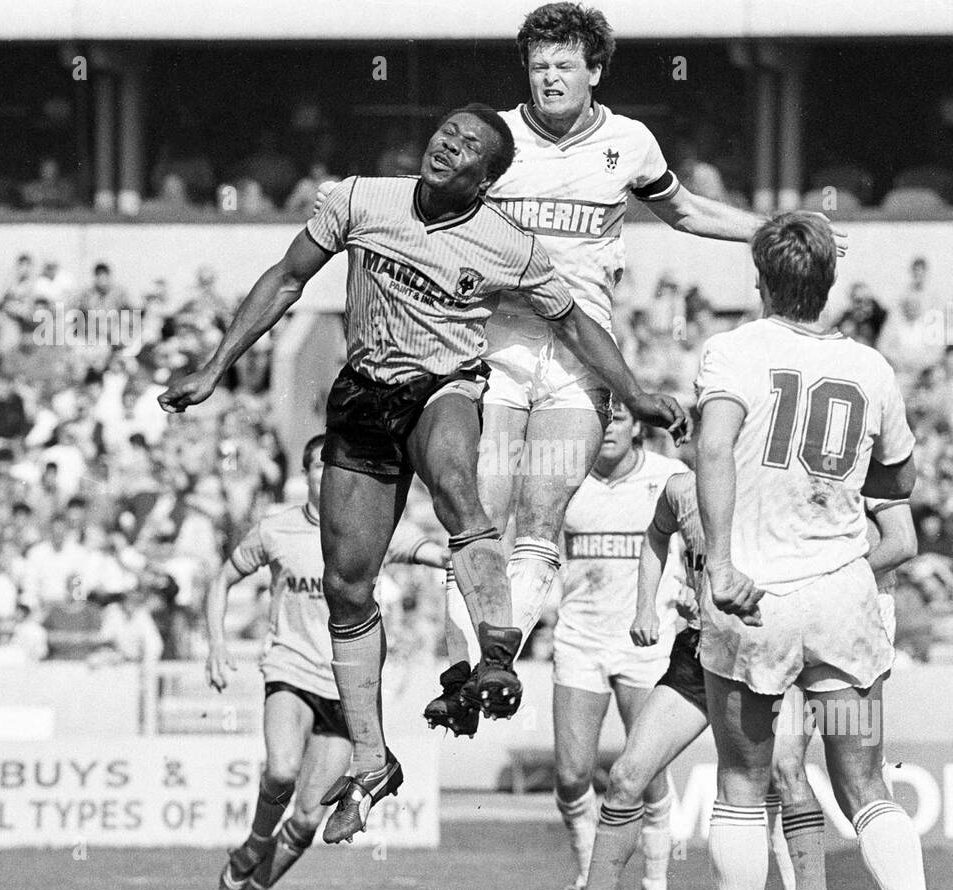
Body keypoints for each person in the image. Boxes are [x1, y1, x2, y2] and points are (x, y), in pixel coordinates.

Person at [159, 103, 686, 844]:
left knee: (457, 486)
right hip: (365, 394)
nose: (451, 144)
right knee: (348, 582)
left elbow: (575, 323)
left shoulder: (511, 246)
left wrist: (633, 392)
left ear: (487, 178)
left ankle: (495, 656)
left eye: (470, 145)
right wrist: (216, 366)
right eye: (448, 132)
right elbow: (285, 280)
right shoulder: (357, 199)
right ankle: (373, 761)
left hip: (445, 388)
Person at [415, 2, 845, 736]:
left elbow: (683, 212)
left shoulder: (629, 143)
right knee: (476, 519)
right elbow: (432, 217)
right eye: (538, 66)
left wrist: (770, 229)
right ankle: (471, 665)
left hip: (584, 357)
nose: (549, 78)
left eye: (563, 66)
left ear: (594, 71)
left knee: (541, 520)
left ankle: (493, 660)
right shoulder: (499, 139)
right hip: (495, 349)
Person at [695, 211, 928, 890]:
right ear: (827, 286)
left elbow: (711, 448)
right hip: (842, 600)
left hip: (757, 599)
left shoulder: (732, 351)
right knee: (863, 781)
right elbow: (901, 481)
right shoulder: (869, 365)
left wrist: (721, 560)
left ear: (760, 278)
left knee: (741, 780)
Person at [574, 470, 917, 890]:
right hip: (699, 649)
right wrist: (650, 605)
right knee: (626, 775)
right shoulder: (681, 487)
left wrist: (825, 584)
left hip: (766, 643)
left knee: (784, 770)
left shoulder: (788, 474)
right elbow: (658, 539)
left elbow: (901, 541)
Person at [208, 435, 446, 890]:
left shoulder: (370, 529)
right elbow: (221, 581)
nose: (326, 474)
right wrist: (216, 644)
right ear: (306, 474)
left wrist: (460, 555)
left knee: (309, 816)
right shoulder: (276, 529)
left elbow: (427, 550)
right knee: (280, 770)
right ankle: (254, 844)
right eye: (318, 465)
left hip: (346, 688)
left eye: (334, 465)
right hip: (290, 669)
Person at [547, 401, 688, 890]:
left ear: (637, 428)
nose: (608, 428)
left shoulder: (669, 476)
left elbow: (698, 534)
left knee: (647, 772)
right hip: (580, 638)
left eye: (619, 419)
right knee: (570, 775)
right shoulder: (567, 477)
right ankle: (586, 878)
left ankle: (655, 886)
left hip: (646, 641)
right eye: (600, 418)